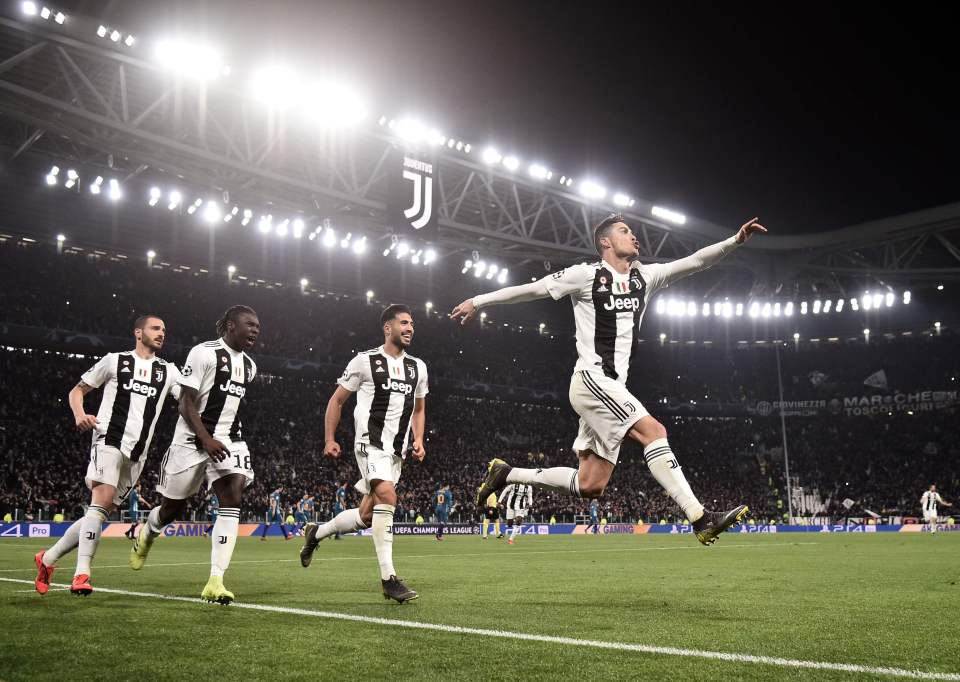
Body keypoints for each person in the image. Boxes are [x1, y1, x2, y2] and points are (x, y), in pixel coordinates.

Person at [454, 215, 767, 546]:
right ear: (605, 242)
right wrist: (478, 301)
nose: (634, 236)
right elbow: (532, 290)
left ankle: (507, 474)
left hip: (613, 388)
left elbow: (695, 262)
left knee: (591, 485)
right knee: (654, 432)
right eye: (624, 231)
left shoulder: (645, 277)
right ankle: (700, 517)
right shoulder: (585, 276)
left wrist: (735, 240)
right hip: (592, 379)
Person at [35, 315, 180, 596]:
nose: (162, 333)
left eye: (164, 329)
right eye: (155, 328)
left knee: (99, 513)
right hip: (108, 438)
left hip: (138, 453)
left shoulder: (168, 371)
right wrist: (79, 414)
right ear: (138, 332)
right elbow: (77, 391)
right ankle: (82, 574)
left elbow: (187, 399)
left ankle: (48, 559)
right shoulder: (115, 361)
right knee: (99, 503)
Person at [129, 305, 260, 605]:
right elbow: (186, 402)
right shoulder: (203, 353)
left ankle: (216, 580)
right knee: (171, 510)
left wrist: (220, 438)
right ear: (230, 325)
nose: (255, 330)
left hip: (229, 440)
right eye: (249, 324)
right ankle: (148, 533)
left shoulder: (250, 366)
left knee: (232, 497)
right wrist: (205, 438)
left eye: (257, 326)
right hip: (191, 440)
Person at [300, 304, 428, 603]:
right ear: (388, 327)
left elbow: (420, 408)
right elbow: (337, 400)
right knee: (388, 497)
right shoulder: (364, 361)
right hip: (369, 444)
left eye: (412, 324)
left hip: (396, 451)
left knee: (368, 515)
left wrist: (419, 439)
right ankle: (389, 579)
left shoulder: (418, 367)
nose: (410, 328)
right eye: (404, 323)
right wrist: (330, 438)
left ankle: (316, 533)